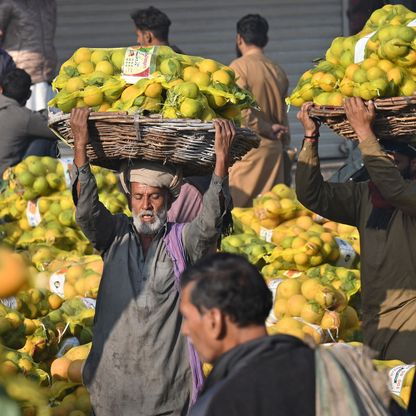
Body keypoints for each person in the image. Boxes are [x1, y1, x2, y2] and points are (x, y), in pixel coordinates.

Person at [70, 107, 235, 416]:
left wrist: (221, 164)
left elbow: (210, 224)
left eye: (155, 197)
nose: (146, 205)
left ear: (169, 201)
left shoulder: (182, 242)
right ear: (129, 199)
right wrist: (80, 147)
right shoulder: (114, 236)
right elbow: (87, 212)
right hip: (112, 388)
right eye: (138, 197)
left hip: (165, 392)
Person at [180, 252, 405, 416]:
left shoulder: (222, 404)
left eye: (188, 317)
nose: (185, 329)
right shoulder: (344, 368)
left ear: (214, 321)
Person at [296, 98, 416, 363]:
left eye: (395, 153)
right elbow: (312, 195)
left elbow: (394, 189)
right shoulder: (366, 195)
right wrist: (310, 137)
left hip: (410, 320)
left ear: (414, 163)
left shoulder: (409, 195)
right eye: (381, 150)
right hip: (374, 320)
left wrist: (364, 131)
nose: (386, 156)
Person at [228, 14, 291, 207]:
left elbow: (241, 111)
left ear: (239, 38)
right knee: (270, 215)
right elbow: (283, 114)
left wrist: (265, 128)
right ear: (265, 39)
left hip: (249, 152)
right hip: (274, 153)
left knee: (241, 218)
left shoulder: (238, 68)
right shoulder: (277, 70)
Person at [0, 0, 57, 111]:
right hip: (19, 77)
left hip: (47, 75)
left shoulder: (49, 3)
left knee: (45, 120)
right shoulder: (9, 3)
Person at [0, 68, 57, 177]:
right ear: (29, 95)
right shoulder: (24, 117)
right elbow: (57, 130)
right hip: (5, 180)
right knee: (44, 139)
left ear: (1, 90)